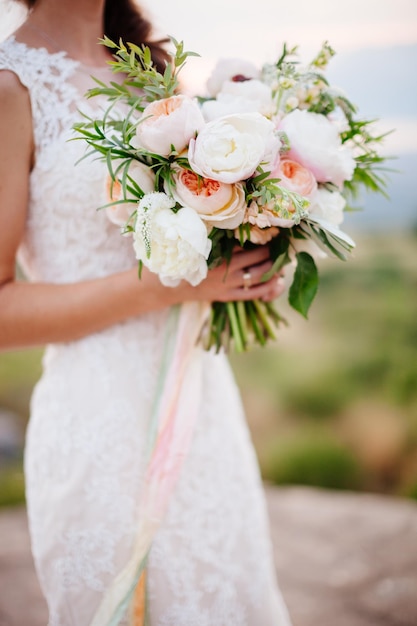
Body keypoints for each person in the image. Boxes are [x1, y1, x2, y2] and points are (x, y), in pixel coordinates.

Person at [0, 0, 292, 624]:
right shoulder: (10, 86)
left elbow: (200, 223)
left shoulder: (152, 73)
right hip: (98, 428)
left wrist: (250, 251)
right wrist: (171, 287)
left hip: (201, 405)